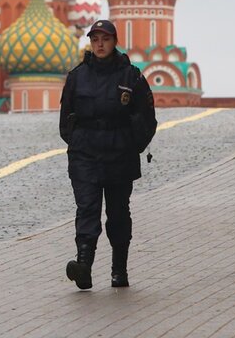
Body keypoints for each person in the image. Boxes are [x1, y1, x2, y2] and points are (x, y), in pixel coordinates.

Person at [59, 18, 157, 290]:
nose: (100, 45)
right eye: (95, 39)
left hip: (119, 154)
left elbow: (147, 117)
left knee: (118, 213)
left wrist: (131, 144)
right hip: (86, 155)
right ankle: (84, 266)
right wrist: (78, 142)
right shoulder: (78, 76)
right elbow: (66, 118)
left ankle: (119, 269)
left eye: (105, 39)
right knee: (87, 209)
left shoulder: (131, 76)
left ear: (114, 42)